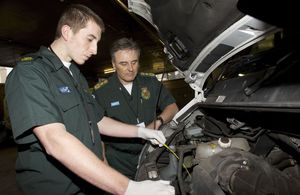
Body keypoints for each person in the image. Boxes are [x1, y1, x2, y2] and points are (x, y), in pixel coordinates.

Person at [4, 4, 175, 195]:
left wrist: (141, 132)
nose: (94, 50)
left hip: (89, 182)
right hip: (56, 188)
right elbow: (54, 140)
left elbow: (98, 120)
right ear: (67, 32)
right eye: (90, 39)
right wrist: (127, 187)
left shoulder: (75, 75)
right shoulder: (31, 73)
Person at [93, 37, 179, 179]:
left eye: (134, 62)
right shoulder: (102, 92)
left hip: (151, 154)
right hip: (119, 161)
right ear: (113, 64)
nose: (130, 69)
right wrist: (105, 167)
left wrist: (157, 123)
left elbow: (172, 107)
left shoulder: (150, 82)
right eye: (123, 64)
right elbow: (98, 133)